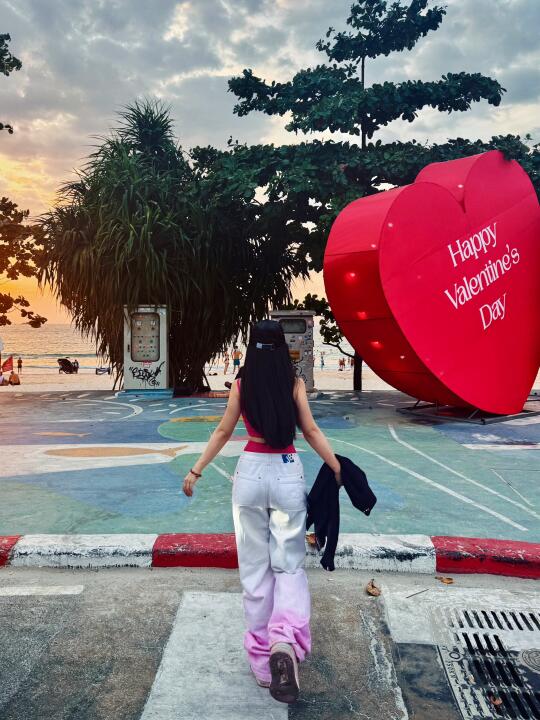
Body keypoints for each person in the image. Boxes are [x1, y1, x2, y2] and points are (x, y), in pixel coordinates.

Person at [183, 320, 341, 703]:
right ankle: (283, 642)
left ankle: (259, 661)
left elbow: (222, 431)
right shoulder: (294, 383)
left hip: (251, 474)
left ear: (252, 346)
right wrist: (336, 467)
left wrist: (196, 470)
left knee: (254, 569)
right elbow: (312, 431)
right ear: (284, 346)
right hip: (287, 471)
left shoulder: (241, 383)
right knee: (288, 564)